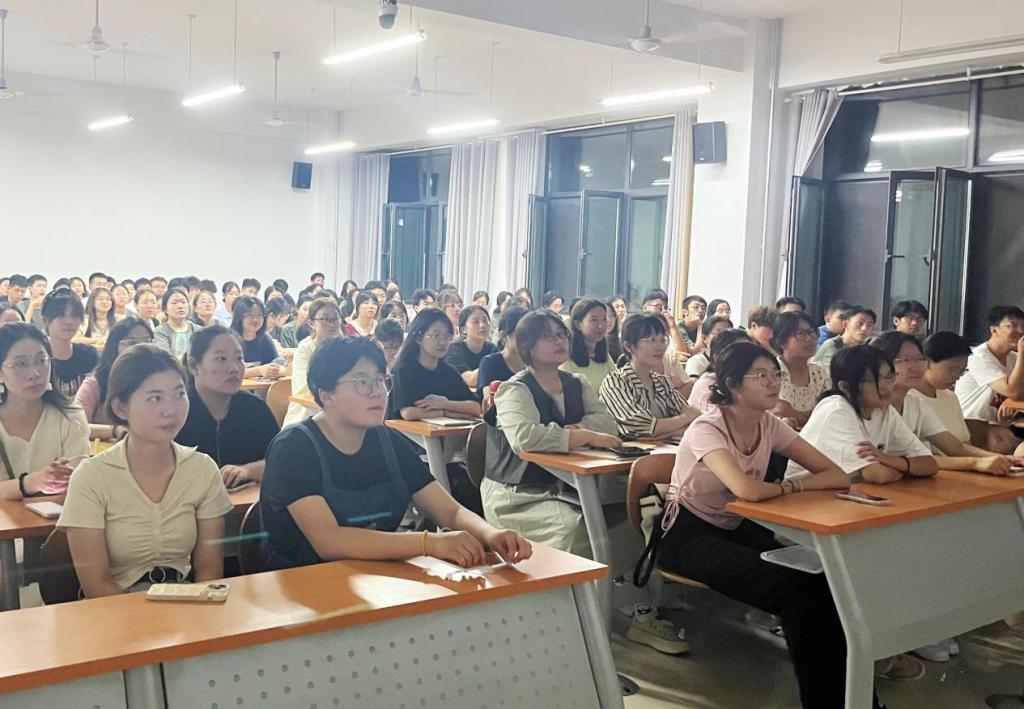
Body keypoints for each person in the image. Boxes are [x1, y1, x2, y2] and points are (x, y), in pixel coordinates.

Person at [658, 341, 858, 709]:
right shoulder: (708, 427)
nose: (773, 382)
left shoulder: (769, 425)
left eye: (775, 374)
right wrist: (787, 488)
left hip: (735, 525)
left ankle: (852, 695)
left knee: (825, 577)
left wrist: (790, 487)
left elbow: (836, 475)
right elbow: (747, 490)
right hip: (686, 534)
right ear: (732, 384)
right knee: (796, 589)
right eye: (761, 375)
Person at [259, 336, 531, 570]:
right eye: (362, 382)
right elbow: (330, 541)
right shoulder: (294, 447)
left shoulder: (388, 442)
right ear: (325, 394)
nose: (378, 392)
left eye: (380, 380)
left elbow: (450, 512)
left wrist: (490, 534)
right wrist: (427, 543)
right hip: (300, 585)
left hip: (373, 580)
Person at [57, 345, 233, 596]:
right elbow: (96, 584)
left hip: (185, 602)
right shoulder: (91, 477)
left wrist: (193, 614)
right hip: (114, 608)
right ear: (120, 408)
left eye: (179, 394)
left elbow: (210, 570)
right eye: (155, 398)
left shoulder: (202, 468)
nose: (171, 410)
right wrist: (146, 620)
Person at [481, 311, 620, 553]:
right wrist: (584, 436)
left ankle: (616, 577)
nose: (559, 341)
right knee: (577, 528)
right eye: (548, 337)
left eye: (562, 335)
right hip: (517, 494)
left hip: (567, 487)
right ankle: (587, 578)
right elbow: (525, 438)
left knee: (630, 518)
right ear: (527, 346)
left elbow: (607, 423)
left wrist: (575, 430)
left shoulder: (576, 382)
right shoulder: (514, 389)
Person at [789, 345, 937, 484]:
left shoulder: (883, 410)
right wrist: (908, 469)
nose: (886, 386)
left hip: (848, 492)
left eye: (889, 376)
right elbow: (877, 474)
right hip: (805, 495)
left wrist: (889, 460)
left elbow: (930, 464)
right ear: (845, 387)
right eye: (876, 380)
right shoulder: (836, 410)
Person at [872, 331, 1013, 476]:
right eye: (906, 360)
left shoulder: (914, 401)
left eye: (919, 359)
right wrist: (975, 463)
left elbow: (953, 447)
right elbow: (917, 459)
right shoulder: (872, 406)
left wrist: (1007, 460)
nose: (916, 366)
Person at [176, 326, 280, 487]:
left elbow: (281, 461)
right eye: (221, 359)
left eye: (239, 358)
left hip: (249, 501)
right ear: (194, 366)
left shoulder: (255, 409)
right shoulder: (176, 412)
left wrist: (248, 470)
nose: (234, 368)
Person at [0, 322, 90, 500]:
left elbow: (78, 485)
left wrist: (58, 478)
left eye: (41, 360)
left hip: (58, 518)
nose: (34, 373)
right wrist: (33, 482)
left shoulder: (70, 418)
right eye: (21, 364)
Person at [919, 331, 1024, 459]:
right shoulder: (911, 399)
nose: (957, 377)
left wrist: (1003, 460)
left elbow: (964, 446)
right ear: (927, 362)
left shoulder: (950, 398)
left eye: (962, 372)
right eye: (953, 369)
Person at [599, 314, 700, 439]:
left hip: (662, 446)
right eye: (652, 340)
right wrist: (683, 419)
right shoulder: (615, 382)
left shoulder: (661, 381)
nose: (660, 346)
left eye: (663, 340)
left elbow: (694, 416)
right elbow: (642, 426)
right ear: (629, 346)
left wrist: (669, 432)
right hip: (627, 450)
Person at [388, 309, 480, 421]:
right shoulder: (405, 369)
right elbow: (408, 413)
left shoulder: (448, 372)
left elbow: (475, 407)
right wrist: (445, 413)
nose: (442, 342)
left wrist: (444, 404)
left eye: (447, 336)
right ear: (419, 338)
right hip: (408, 431)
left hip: (443, 430)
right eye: (436, 336)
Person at [955, 306, 1024, 454]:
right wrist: (1023, 354)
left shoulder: (1014, 358)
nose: (1020, 331)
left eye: (1023, 326)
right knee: (1008, 444)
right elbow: (1011, 390)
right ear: (994, 330)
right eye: (1012, 325)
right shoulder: (978, 357)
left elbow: (1017, 392)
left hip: (1000, 423)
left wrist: (1010, 400)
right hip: (970, 423)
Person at [75, 317, 154, 441]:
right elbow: (76, 425)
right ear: (114, 346)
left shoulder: (158, 383)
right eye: (131, 342)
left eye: (146, 341)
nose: (140, 348)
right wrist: (114, 430)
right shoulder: (95, 384)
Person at [284, 299, 344, 427]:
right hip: (304, 416)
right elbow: (303, 388)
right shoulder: (304, 350)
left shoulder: (344, 348)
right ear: (311, 323)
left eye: (335, 319)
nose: (332, 324)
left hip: (338, 414)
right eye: (325, 319)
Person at [773, 311, 831, 430]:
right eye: (801, 334)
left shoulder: (819, 372)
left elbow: (828, 414)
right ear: (782, 341)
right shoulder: (772, 372)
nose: (809, 339)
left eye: (812, 332)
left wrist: (794, 414)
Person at [40, 288, 98, 399]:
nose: (69, 322)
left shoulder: (89, 355)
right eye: (61, 315)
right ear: (46, 321)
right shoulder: (38, 358)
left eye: (75, 315)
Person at [688, 329, 753, 413]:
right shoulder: (706, 385)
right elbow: (725, 417)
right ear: (717, 358)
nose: (748, 359)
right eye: (738, 354)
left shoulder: (751, 379)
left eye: (751, 354)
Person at [559, 298, 616, 394]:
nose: (600, 325)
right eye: (594, 320)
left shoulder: (604, 355)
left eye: (604, 319)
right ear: (578, 324)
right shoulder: (566, 359)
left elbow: (616, 384)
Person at [478, 306, 528, 403]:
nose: (526, 339)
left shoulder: (534, 363)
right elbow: (489, 402)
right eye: (520, 334)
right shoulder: (490, 363)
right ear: (503, 335)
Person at [230, 296, 285, 380]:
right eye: (250, 315)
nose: (255, 320)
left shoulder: (264, 339)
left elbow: (280, 365)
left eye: (259, 315)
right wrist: (259, 370)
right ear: (239, 317)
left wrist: (276, 370)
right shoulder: (228, 339)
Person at [445, 305, 497, 390]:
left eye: (485, 321)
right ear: (463, 329)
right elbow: (470, 380)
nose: (482, 325)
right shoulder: (454, 350)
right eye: (475, 322)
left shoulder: (492, 349)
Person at [153, 288, 202, 359]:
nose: (180, 306)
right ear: (165, 309)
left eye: (183, 302)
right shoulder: (161, 331)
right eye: (174, 303)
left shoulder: (198, 330)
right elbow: (165, 358)